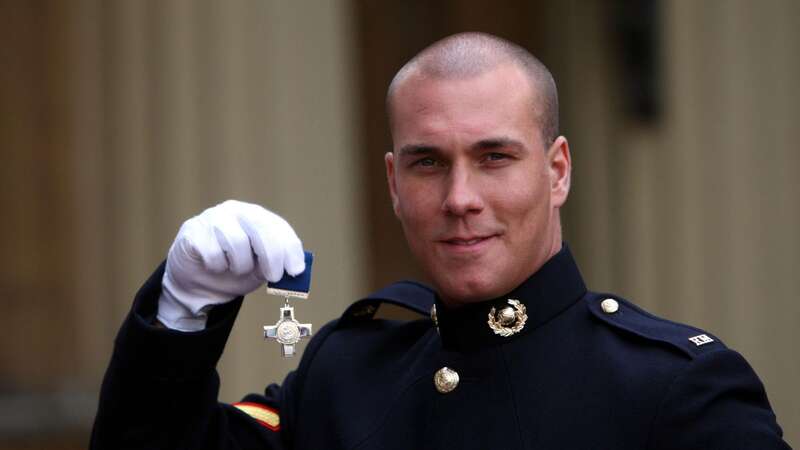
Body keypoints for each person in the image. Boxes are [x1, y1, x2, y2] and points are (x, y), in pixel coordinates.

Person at [90, 32, 791, 449]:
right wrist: (182, 309)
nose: (460, 199)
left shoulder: (674, 388)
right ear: (394, 182)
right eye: (428, 163)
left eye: (495, 157)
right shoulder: (349, 372)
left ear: (557, 172)